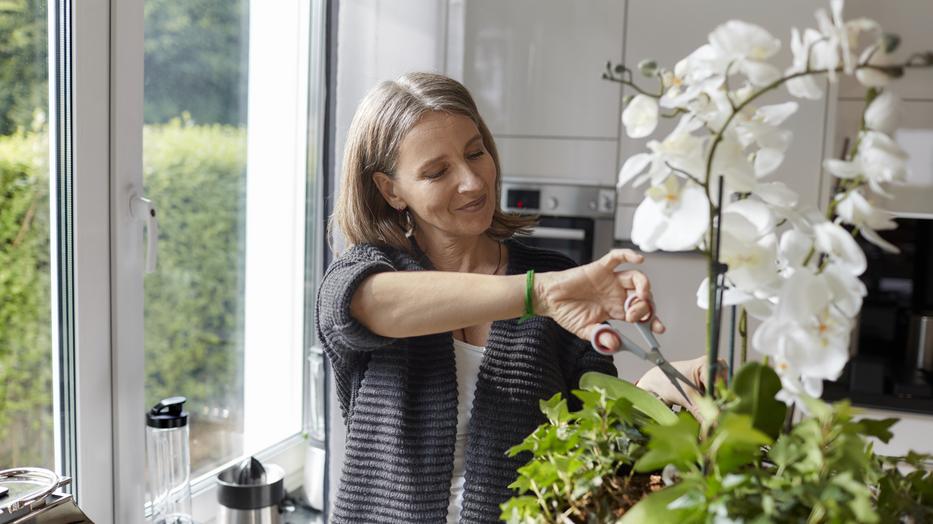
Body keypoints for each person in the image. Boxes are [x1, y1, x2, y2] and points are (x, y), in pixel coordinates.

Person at [316, 72, 711, 524]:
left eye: (475, 152)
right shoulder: (360, 277)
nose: (472, 182)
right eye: (437, 171)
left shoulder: (554, 275)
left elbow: (591, 427)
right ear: (391, 189)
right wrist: (539, 293)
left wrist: (659, 387)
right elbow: (372, 307)